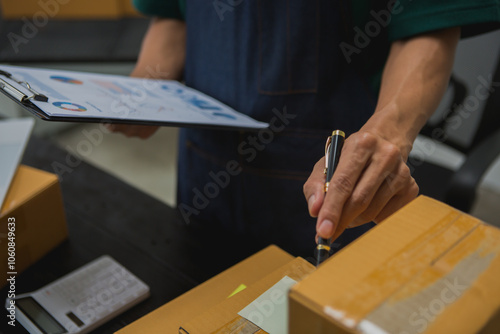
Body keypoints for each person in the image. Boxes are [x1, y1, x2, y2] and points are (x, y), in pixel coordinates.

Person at [109, 0, 500, 264]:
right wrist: (149, 85)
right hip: (206, 165)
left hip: (331, 178)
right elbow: (171, 12)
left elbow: (427, 23)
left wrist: (389, 132)